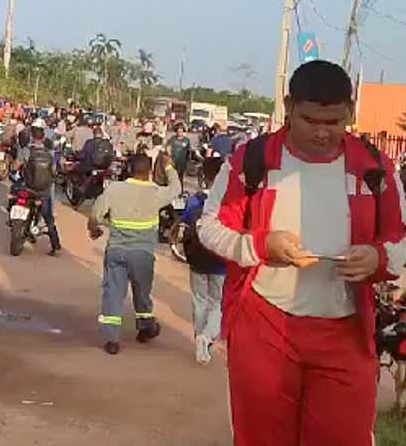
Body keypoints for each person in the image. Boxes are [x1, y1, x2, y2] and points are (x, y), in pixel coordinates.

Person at [197, 60, 406, 446]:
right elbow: (210, 227)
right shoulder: (252, 161)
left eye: (335, 121)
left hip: (345, 331)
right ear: (288, 106)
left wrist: (378, 258)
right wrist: (260, 245)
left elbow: (401, 241)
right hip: (264, 323)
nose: (323, 133)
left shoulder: (375, 168)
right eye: (310, 120)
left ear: (350, 111)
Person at [89, 153, 181, 354]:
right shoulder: (156, 192)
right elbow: (176, 189)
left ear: (129, 170)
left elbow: (96, 212)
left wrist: (93, 228)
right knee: (142, 293)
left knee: (113, 292)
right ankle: (146, 327)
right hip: (143, 254)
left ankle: (112, 339)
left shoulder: (114, 189)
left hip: (116, 250)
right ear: (148, 172)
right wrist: (168, 167)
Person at [181, 156, 227, 364]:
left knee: (199, 300)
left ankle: (199, 336)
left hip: (197, 260)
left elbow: (185, 222)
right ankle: (206, 337)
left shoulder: (195, 200)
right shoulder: (227, 202)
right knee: (218, 303)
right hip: (221, 261)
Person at [15, 118, 61, 254]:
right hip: (43, 190)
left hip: (28, 187)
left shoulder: (26, 150)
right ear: (43, 134)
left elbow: (16, 165)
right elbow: (54, 170)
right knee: (49, 219)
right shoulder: (50, 151)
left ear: (32, 134)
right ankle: (55, 245)